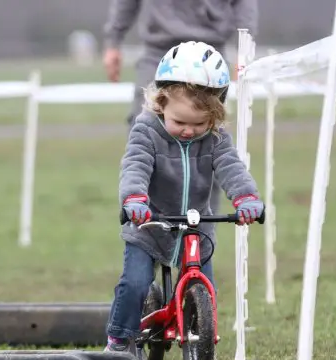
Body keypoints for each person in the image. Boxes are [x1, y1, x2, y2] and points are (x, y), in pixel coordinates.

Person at [104, 42, 264, 360]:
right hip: (149, 223)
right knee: (135, 283)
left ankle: (205, 353)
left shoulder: (216, 138)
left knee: (206, 286)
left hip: (196, 225)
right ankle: (119, 341)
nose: (189, 130)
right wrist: (134, 199)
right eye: (180, 121)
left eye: (199, 123)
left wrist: (246, 197)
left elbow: (231, 167)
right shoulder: (147, 129)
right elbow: (135, 165)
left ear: (216, 114)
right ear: (161, 103)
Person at [102, 0, 258, 218]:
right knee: (144, 144)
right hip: (159, 53)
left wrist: (245, 46)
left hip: (210, 59)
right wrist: (113, 40)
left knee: (211, 146)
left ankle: (199, 237)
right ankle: (145, 232)